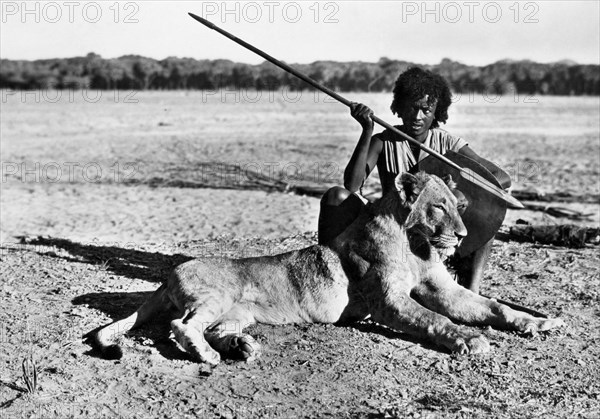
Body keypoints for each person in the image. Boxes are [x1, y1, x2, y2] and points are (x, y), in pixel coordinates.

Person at [318, 67, 511, 294]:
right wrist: (367, 130)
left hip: (432, 229)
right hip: (392, 229)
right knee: (335, 196)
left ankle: (471, 290)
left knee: (487, 217)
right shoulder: (383, 141)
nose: (417, 117)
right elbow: (351, 186)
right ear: (399, 107)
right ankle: (327, 275)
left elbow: (502, 178)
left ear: (436, 112)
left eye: (425, 110)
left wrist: (460, 194)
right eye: (411, 107)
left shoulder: (448, 144)